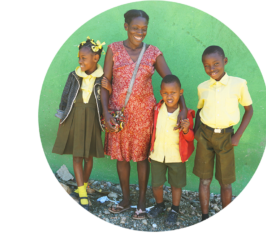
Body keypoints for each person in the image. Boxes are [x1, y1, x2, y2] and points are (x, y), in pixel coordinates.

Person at [100, 9, 188, 219]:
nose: (140, 32)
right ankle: (125, 199)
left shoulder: (153, 53)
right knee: (121, 158)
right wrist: (106, 113)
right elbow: (105, 84)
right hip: (118, 114)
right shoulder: (113, 50)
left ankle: (141, 202)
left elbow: (171, 79)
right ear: (126, 27)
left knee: (141, 158)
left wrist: (183, 107)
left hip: (144, 115)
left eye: (144, 29)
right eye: (135, 28)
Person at [193, 46, 253, 223]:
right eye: (207, 65)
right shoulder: (202, 87)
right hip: (205, 136)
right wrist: (197, 132)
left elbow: (249, 111)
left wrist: (237, 136)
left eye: (216, 64)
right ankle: (205, 216)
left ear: (225, 61)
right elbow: (199, 109)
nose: (211, 69)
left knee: (226, 182)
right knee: (205, 180)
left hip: (227, 138)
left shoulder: (239, 84)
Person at [52, 36, 109, 212]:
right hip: (74, 117)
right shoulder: (74, 75)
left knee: (88, 155)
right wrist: (62, 115)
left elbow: (108, 99)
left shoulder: (102, 78)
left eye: (83, 58)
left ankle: (82, 184)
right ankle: (82, 191)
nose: (80, 61)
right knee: (77, 156)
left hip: (92, 119)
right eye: (79, 58)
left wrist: (110, 88)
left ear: (96, 58)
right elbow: (65, 96)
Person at [147, 75, 195, 225]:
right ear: (161, 93)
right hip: (157, 155)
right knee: (156, 184)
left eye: (173, 93)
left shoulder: (185, 114)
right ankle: (159, 205)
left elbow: (190, 138)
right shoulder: (156, 109)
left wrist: (186, 130)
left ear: (181, 92)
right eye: (166, 93)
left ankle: (174, 209)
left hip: (176, 157)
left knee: (176, 185)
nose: (169, 96)